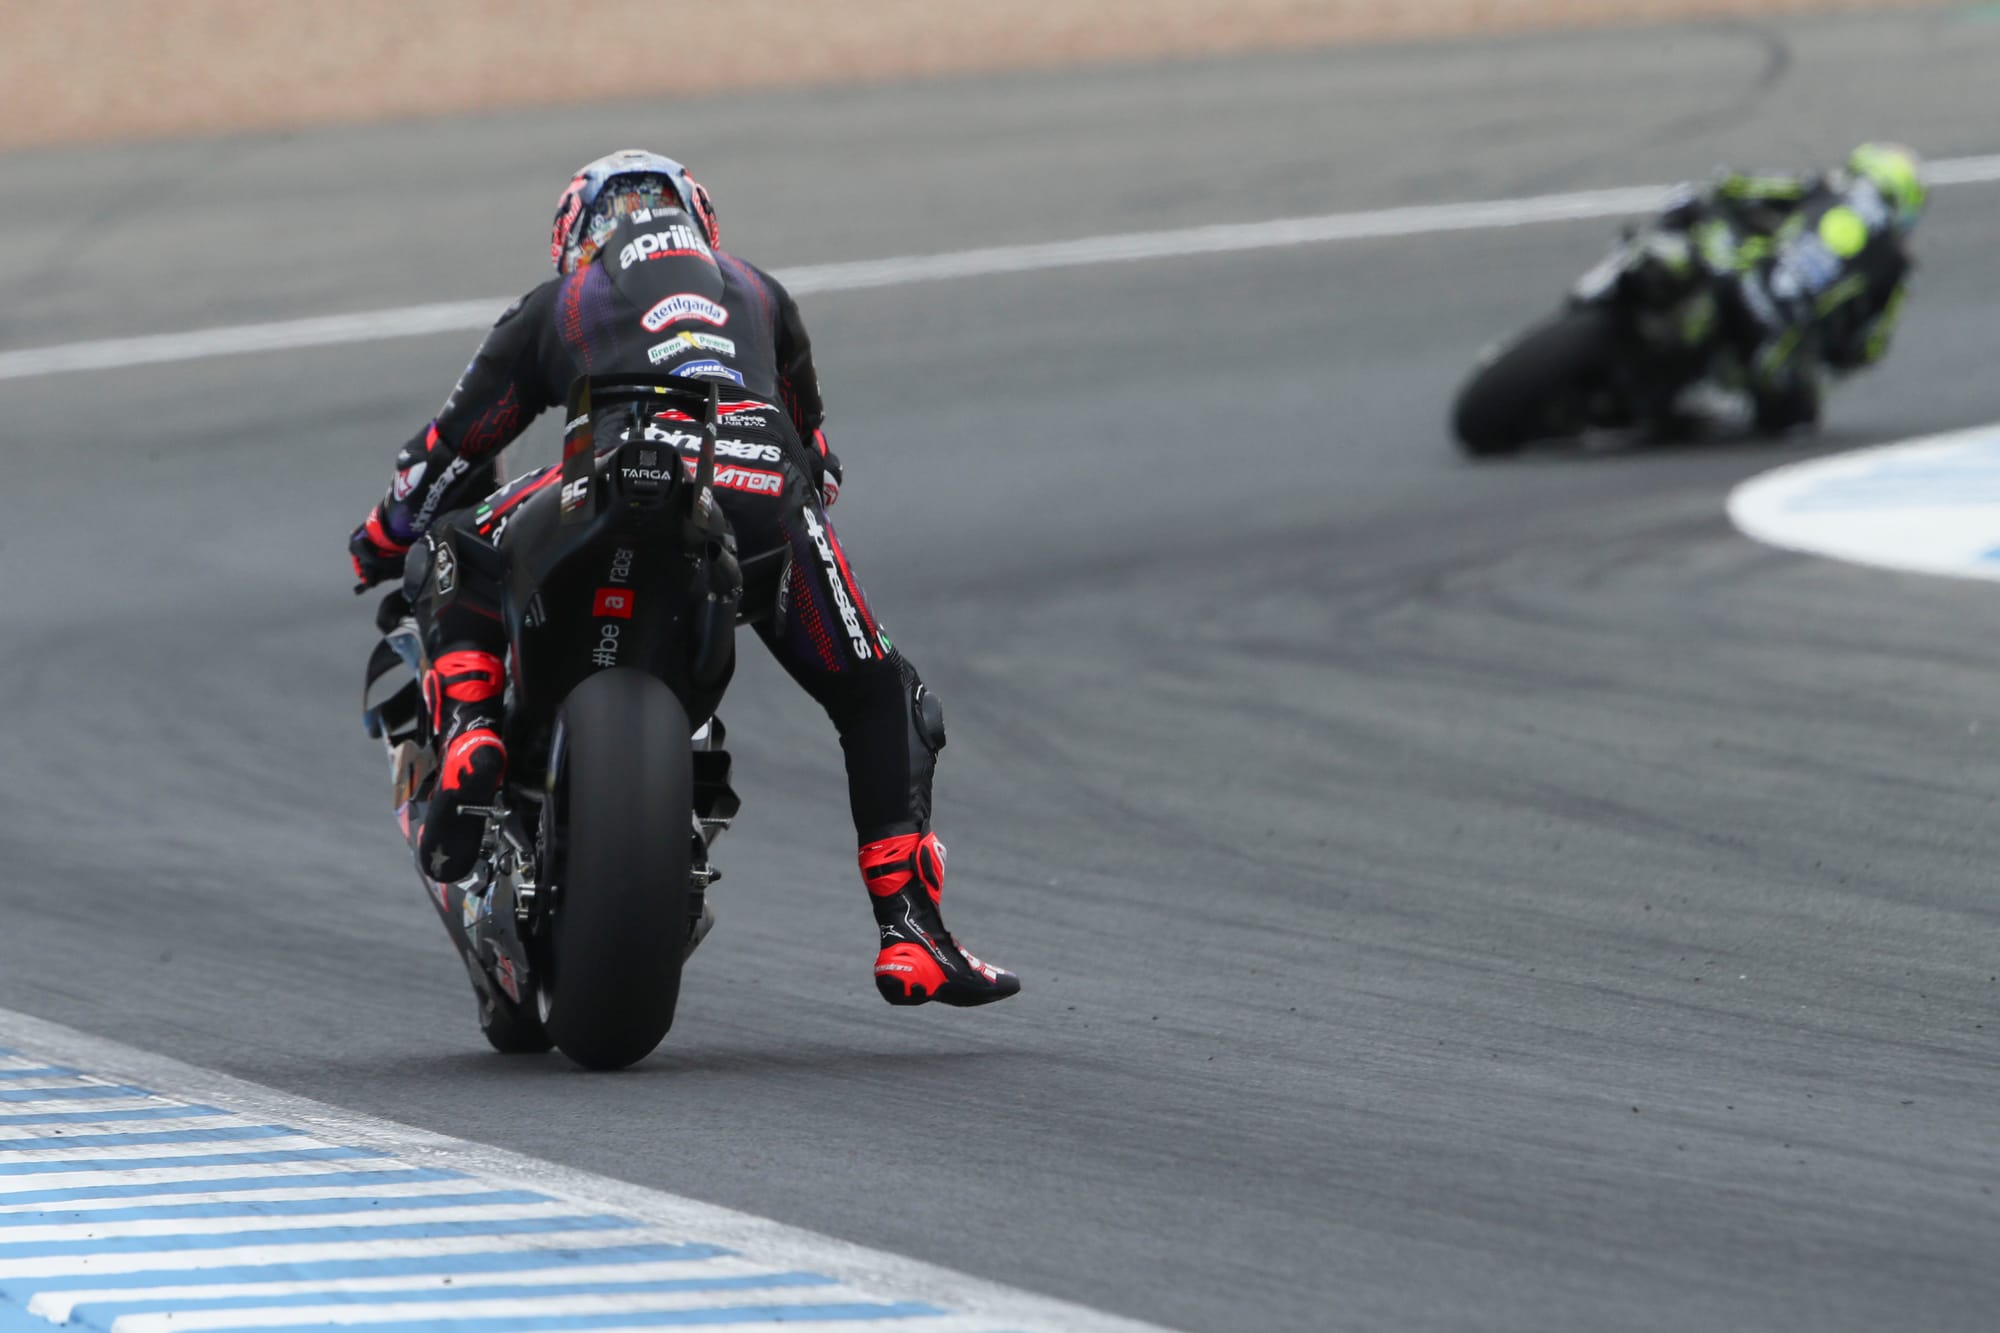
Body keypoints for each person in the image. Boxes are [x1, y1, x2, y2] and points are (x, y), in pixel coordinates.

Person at [349, 149, 1017, 1008]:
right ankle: (910, 932)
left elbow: (440, 463)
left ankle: (474, 729)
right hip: (760, 498)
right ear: (699, 219)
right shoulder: (761, 292)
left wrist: (377, 540)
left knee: (451, 544)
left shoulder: (560, 301)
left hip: (605, 475)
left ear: (574, 237)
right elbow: (819, 463)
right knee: (882, 691)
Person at [1653, 142, 1925, 433]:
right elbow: (1866, 349)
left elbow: (1740, 186)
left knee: (1687, 210)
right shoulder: (1895, 263)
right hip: (1780, 335)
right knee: (1794, 417)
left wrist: (1720, 200)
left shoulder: (1827, 189)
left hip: (1741, 274)